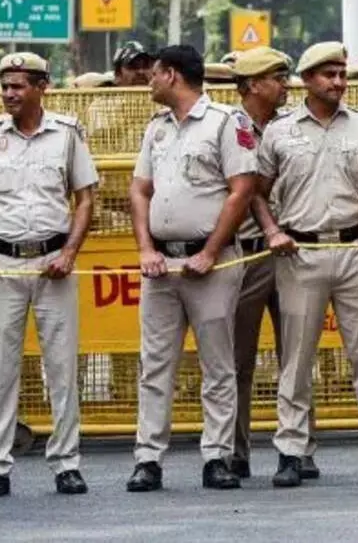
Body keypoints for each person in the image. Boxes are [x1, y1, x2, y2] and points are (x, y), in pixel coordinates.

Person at [254, 42, 358, 487]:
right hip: (300, 251)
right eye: (328, 74)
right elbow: (257, 192)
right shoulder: (279, 131)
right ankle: (292, 450)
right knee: (297, 357)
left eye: (341, 74)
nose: (338, 82)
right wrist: (272, 231)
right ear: (306, 80)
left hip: (356, 249)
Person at [0, 53, 98, 497]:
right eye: (5, 86)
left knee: (61, 367)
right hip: (3, 264)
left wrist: (70, 252)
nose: (9, 94)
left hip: (53, 262)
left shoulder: (67, 133)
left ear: (42, 87)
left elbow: (85, 198)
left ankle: (66, 462)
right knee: (0, 370)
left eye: (18, 86)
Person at [127, 44, 256, 493]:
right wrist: (146, 248)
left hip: (211, 263)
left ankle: (217, 456)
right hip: (161, 264)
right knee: (154, 364)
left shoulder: (226, 122)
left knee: (217, 363)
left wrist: (211, 251)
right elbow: (140, 189)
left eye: (154, 73)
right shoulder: (157, 128)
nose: (149, 81)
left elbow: (242, 190)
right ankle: (147, 458)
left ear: (172, 75)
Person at [227, 47, 316, 481]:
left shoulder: (295, 126)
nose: (286, 85)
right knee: (236, 360)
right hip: (247, 251)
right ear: (252, 85)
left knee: (297, 355)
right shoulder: (227, 128)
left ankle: (301, 447)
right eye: (277, 78)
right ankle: (233, 449)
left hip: (293, 248)